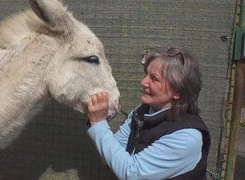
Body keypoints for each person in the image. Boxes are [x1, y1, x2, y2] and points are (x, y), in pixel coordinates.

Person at [86, 47, 211, 179]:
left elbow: (132, 173)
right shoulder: (142, 112)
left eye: (154, 79)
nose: (143, 82)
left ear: (177, 92)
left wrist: (98, 123)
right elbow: (108, 156)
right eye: (146, 74)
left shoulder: (186, 137)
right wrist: (99, 121)